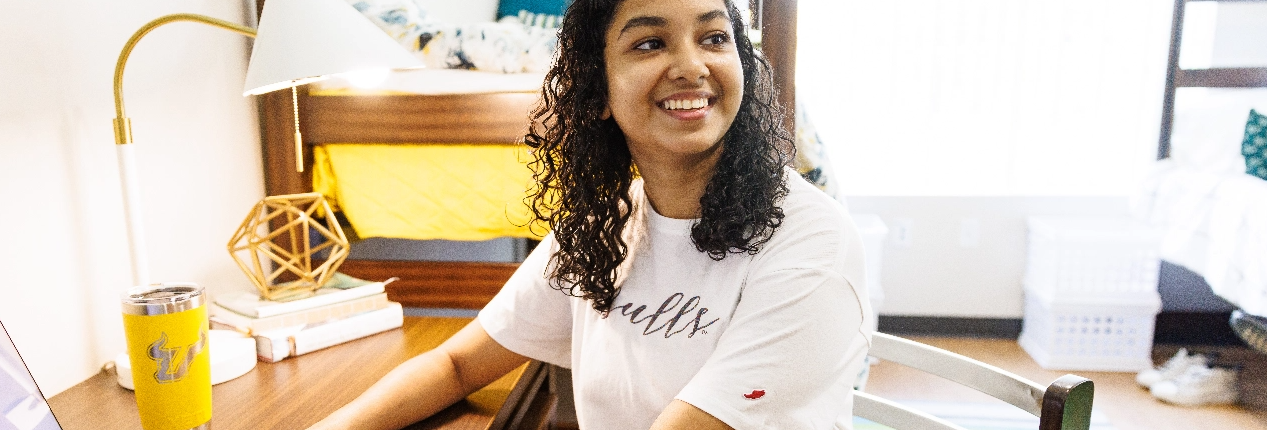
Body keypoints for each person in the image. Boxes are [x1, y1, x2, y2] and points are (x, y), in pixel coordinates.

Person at [308, 0, 871, 428]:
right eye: (650, 43)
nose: (692, 65)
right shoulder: (610, 223)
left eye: (715, 37)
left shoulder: (810, 242)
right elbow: (456, 365)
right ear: (598, 91)